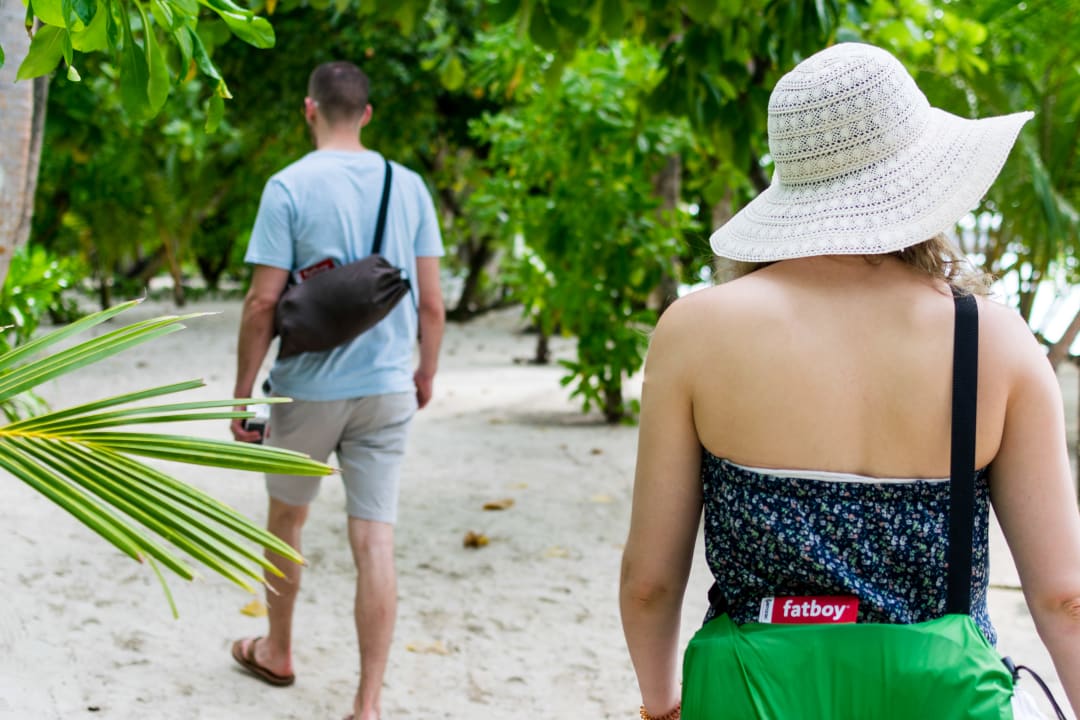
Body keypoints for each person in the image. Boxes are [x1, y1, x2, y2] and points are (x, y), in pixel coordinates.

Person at [620, 42, 1080, 719]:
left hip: (751, 694)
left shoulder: (694, 331)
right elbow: (1063, 596)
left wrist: (661, 706)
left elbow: (651, 583)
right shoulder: (995, 340)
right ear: (920, 178)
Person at [228, 60, 446, 720]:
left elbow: (262, 303)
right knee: (374, 540)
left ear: (309, 109)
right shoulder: (407, 187)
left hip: (307, 392)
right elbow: (432, 304)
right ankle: (368, 703)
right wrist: (425, 373)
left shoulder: (287, 186)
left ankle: (278, 651)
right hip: (387, 389)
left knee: (287, 520)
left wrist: (244, 393)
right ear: (368, 114)